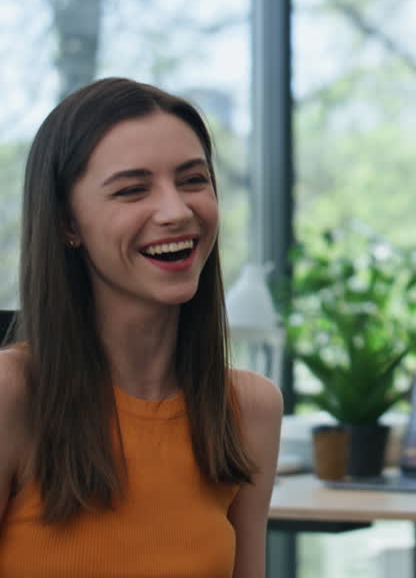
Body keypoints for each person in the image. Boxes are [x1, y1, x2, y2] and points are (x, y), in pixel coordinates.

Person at [0, 78, 283, 577]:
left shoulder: (249, 410)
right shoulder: (11, 396)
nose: (176, 212)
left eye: (193, 180)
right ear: (68, 224)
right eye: (133, 190)